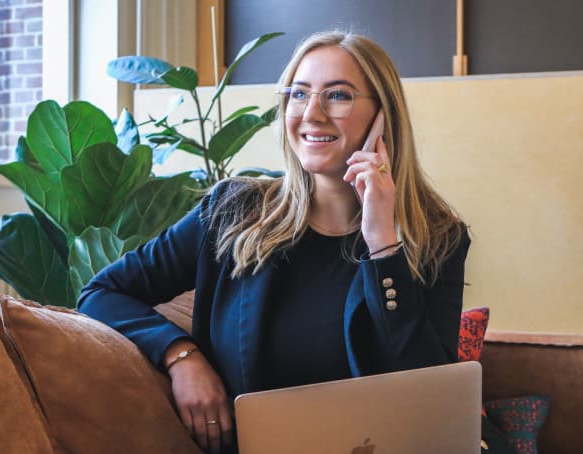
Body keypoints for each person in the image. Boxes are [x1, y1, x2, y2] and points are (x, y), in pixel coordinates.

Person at [78, 31, 471, 454]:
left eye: (337, 95)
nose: (312, 113)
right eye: (299, 94)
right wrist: (181, 355)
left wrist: (383, 246)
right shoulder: (231, 213)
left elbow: (429, 395)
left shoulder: (436, 238)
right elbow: (101, 292)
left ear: (383, 117)